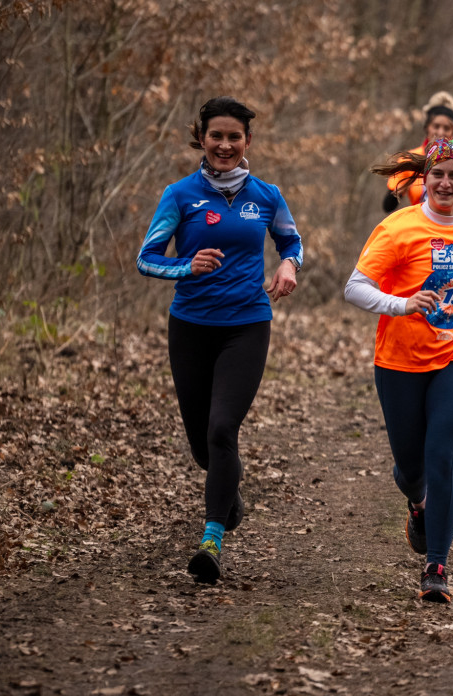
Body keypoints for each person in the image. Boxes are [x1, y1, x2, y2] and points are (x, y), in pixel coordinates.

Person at [137, 96, 303, 584]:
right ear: (202, 139)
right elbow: (147, 258)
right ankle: (227, 493)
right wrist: (186, 266)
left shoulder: (267, 196)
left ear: (247, 141)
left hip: (247, 324)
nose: (225, 145)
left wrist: (290, 264)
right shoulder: (180, 195)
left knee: (221, 428)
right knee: (201, 447)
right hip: (189, 327)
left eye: (235, 137)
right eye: (217, 136)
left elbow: (290, 241)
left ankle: (211, 540)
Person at [346, 137, 453, 603]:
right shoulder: (398, 227)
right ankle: (417, 504)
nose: (445, 182)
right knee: (410, 467)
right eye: (437, 173)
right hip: (399, 359)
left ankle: (435, 567)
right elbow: (355, 288)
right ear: (424, 179)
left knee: (443, 457)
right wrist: (401, 304)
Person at [383, 92, 453, 214]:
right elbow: (388, 205)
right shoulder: (409, 160)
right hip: (421, 227)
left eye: (446, 128)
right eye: (436, 126)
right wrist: (401, 186)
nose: (440, 132)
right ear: (427, 127)